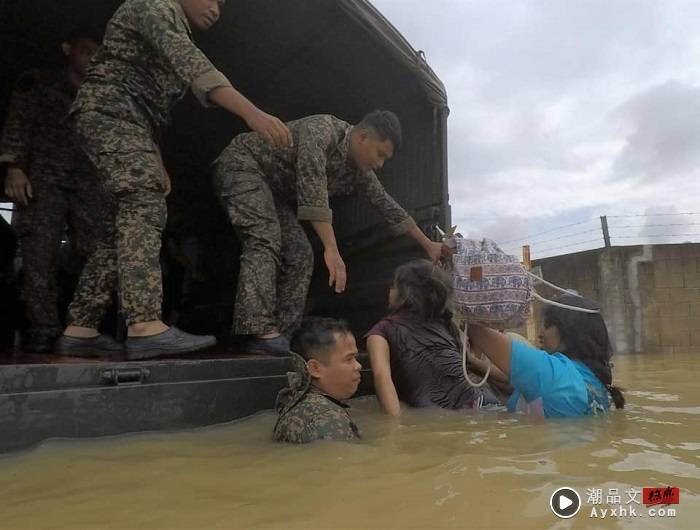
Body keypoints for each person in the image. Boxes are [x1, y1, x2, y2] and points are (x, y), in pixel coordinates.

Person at [57, 0, 293, 359]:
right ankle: (144, 326)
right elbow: (195, 67)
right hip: (110, 110)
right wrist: (252, 114)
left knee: (118, 227)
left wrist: (155, 158)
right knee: (144, 203)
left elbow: (150, 108)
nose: (217, 9)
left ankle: (81, 328)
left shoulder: (173, 23)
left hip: (131, 121)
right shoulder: (155, 6)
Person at [213, 110, 449, 355]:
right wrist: (332, 248)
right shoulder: (322, 131)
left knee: (301, 254)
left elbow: (388, 206)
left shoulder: (361, 172)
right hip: (243, 165)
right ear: (363, 136)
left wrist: (428, 244)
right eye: (380, 154)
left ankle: (280, 338)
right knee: (265, 237)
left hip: (273, 194)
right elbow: (312, 190)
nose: (380, 164)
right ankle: (257, 329)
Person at [0, 28, 105, 354]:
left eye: (96, 52)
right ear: (67, 48)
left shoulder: (100, 94)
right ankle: (43, 330)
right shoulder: (40, 82)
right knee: (39, 255)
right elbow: (19, 122)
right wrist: (14, 167)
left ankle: (83, 328)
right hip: (43, 179)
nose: (91, 58)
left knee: (100, 253)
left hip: (86, 181)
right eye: (85, 50)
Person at [366, 259, 501, 416]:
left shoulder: (380, 331)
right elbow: (469, 363)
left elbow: (381, 376)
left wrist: (395, 428)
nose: (389, 289)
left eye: (394, 285)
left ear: (404, 292)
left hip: (439, 413)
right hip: (483, 401)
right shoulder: (446, 324)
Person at [467, 292, 625, 418]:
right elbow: (514, 384)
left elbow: (478, 332)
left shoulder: (557, 377)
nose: (541, 333)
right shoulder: (590, 378)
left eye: (547, 325)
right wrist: (473, 363)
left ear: (567, 332)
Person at [274, 318, 361, 444]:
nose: (358, 366)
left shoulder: (294, 401)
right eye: (349, 359)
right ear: (315, 368)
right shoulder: (329, 419)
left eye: (356, 358)